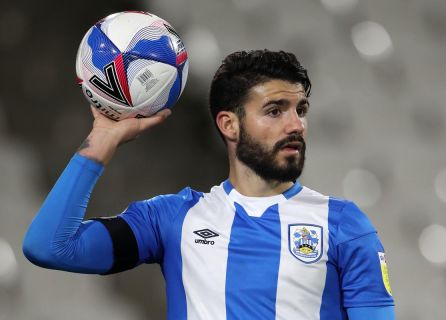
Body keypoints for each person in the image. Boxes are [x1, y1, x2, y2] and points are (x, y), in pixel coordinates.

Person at [23, 50, 395, 319]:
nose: (295, 124)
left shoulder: (344, 225)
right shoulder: (170, 219)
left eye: (301, 111)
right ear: (229, 125)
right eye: (274, 110)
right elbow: (50, 247)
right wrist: (102, 141)